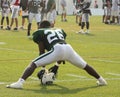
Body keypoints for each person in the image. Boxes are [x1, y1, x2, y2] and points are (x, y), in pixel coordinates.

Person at [6, 20, 107, 89]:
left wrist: (43, 69)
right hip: (68, 48)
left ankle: (20, 82)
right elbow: (62, 52)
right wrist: (56, 66)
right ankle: (102, 80)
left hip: (57, 49)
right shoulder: (59, 30)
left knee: (33, 63)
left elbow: (42, 52)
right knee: (84, 65)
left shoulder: (40, 32)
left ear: (41, 26)